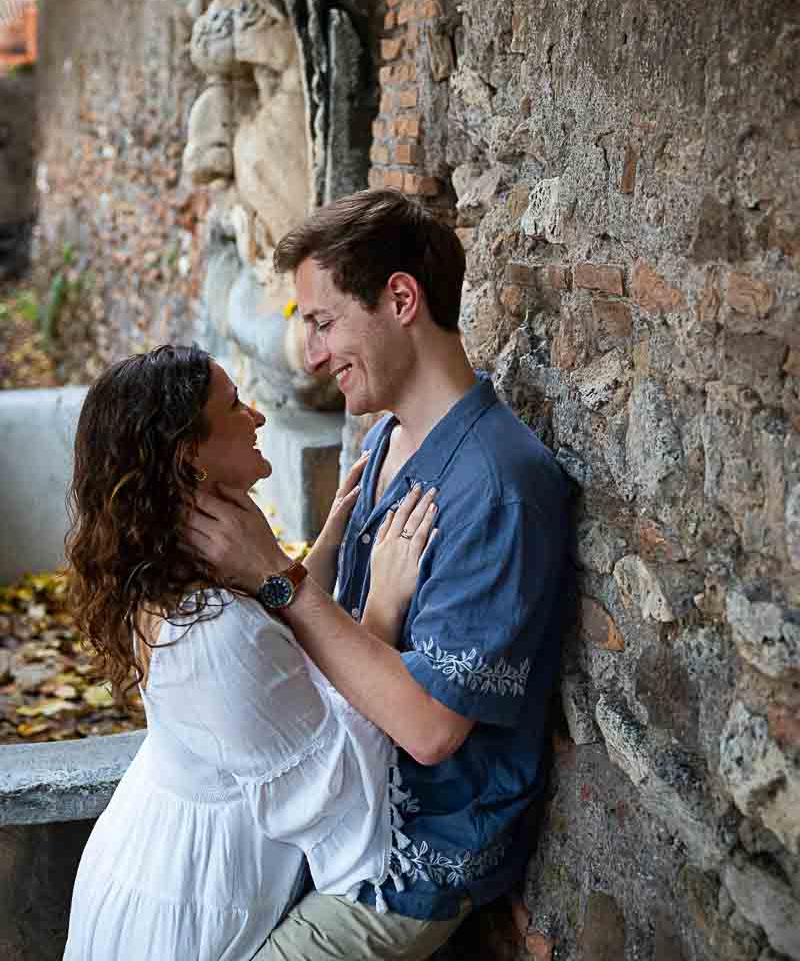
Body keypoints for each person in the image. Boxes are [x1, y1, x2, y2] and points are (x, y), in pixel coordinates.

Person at [186, 189, 572, 961]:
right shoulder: (390, 437)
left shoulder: (498, 486)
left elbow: (430, 729)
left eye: (324, 323)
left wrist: (280, 580)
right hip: (337, 814)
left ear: (401, 298)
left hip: (405, 862)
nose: (314, 356)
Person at [62, 343, 435, 961]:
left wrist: (330, 540)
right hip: (185, 906)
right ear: (191, 456)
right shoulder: (205, 633)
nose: (258, 417)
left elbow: (275, 639)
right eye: (235, 406)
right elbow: (333, 785)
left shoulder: (174, 563)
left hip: (148, 850)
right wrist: (383, 612)